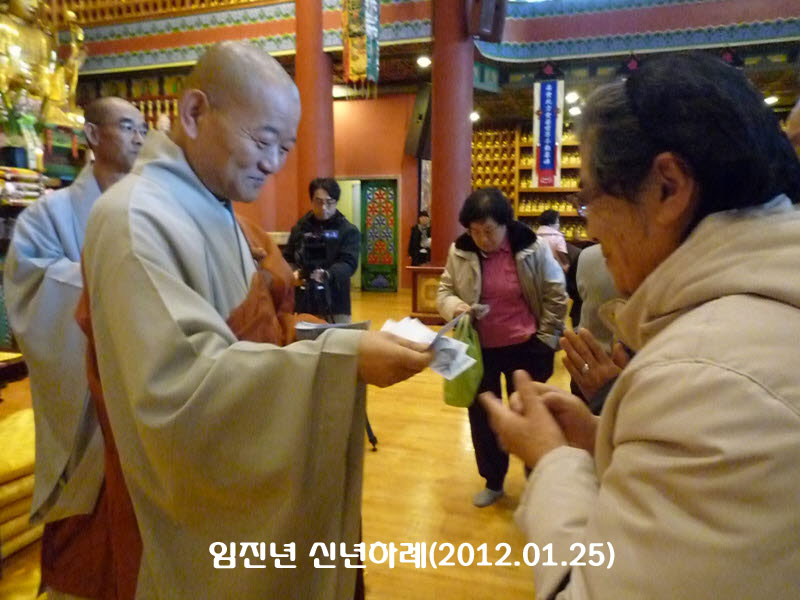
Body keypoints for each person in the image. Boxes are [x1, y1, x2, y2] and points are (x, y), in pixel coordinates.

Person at [77, 42, 431, 599]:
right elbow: (182, 391)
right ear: (194, 112)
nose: (273, 163)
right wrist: (338, 361)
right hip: (197, 514)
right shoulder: (133, 219)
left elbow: (260, 328)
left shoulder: (215, 208)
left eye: (284, 148)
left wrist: (329, 337)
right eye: (263, 141)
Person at [480, 52, 800, 598]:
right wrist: (603, 438)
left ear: (667, 188)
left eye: (589, 200)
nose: (592, 230)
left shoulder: (706, 376)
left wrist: (552, 460)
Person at [4, 96, 146, 598]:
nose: (138, 138)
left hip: (144, 395)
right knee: (87, 544)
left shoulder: (152, 211)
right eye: (126, 127)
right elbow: (31, 286)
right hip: (87, 403)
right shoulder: (49, 214)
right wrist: (111, 284)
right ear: (92, 136)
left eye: (143, 129)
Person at [437, 187, 567, 507]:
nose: (482, 239)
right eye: (475, 231)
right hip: (480, 349)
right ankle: (493, 480)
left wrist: (546, 339)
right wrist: (456, 307)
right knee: (484, 416)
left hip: (527, 346)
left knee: (531, 413)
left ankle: (537, 479)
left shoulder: (531, 248)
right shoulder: (460, 251)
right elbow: (444, 292)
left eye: (489, 230)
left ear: (505, 224)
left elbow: (555, 293)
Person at [284, 177, 359, 323]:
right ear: (311, 201)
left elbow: (349, 263)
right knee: (303, 336)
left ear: (336, 202)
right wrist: (294, 273)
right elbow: (288, 258)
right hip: (304, 302)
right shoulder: (300, 229)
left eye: (329, 202)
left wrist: (327, 274)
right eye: (319, 202)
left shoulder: (347, 230)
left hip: (336, 302)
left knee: (337, 337)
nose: (324, 207)